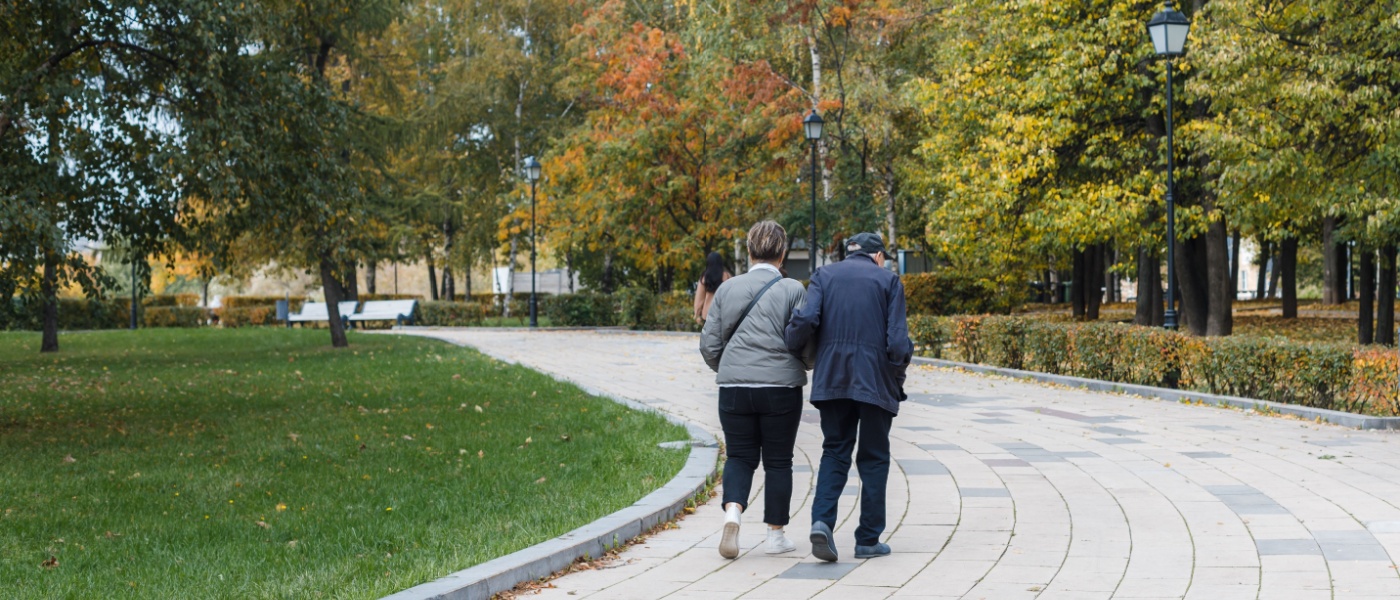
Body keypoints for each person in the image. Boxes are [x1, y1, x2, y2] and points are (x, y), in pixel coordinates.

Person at [784, 232, 912, 562]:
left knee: (835, 452)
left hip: (833, 380)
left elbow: (807, 320)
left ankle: (822, 522)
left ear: (848, 253)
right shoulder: (889, 282)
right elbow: (898, 343)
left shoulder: (824, 275)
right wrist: (896, 376)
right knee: (873, 457)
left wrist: (792, 344)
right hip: (875, 383)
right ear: (878, 256)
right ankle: (868, 539)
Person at [700, 221, 814, 559]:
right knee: (778, 461)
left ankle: (733, 512)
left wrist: (731, 368)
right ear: (782, 254)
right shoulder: (793, 289)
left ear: (749, 252)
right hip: (781, 388)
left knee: (739, 456)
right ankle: (776, 536)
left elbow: (709, 344)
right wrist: (803, 364)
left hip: (734, 388)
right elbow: (805, 341)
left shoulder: (727, 289)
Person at [693, 251, 732, 322]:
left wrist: (697, 314)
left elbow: (699, 298)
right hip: (724, 314)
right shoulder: (727, 276)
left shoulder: (704, 278)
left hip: (708, 315)